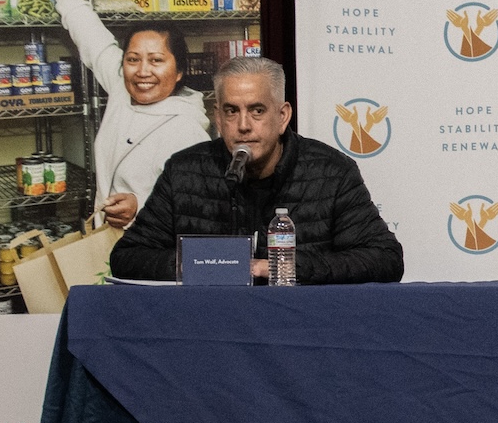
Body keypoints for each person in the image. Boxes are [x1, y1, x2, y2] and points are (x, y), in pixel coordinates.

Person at [111, 56, 404, 283]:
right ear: (218, 117)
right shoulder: (184, 171)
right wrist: (208, 264)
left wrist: (281, 266)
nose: (243, 126)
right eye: (231, 111)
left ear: (282, 116)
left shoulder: (331, 171)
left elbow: (385, 259)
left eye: (257, 111)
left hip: (299, 328)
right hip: (211, 331)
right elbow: (127, 258)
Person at [46, 0, 208, 229]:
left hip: (150, 254)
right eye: (133, 59)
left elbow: (197, 212)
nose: (143, 71)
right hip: (108, 242)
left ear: (179, 71)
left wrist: (140, 207)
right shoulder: (124, 88)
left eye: (156, 60)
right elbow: (92, 38)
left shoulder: (187, 131)